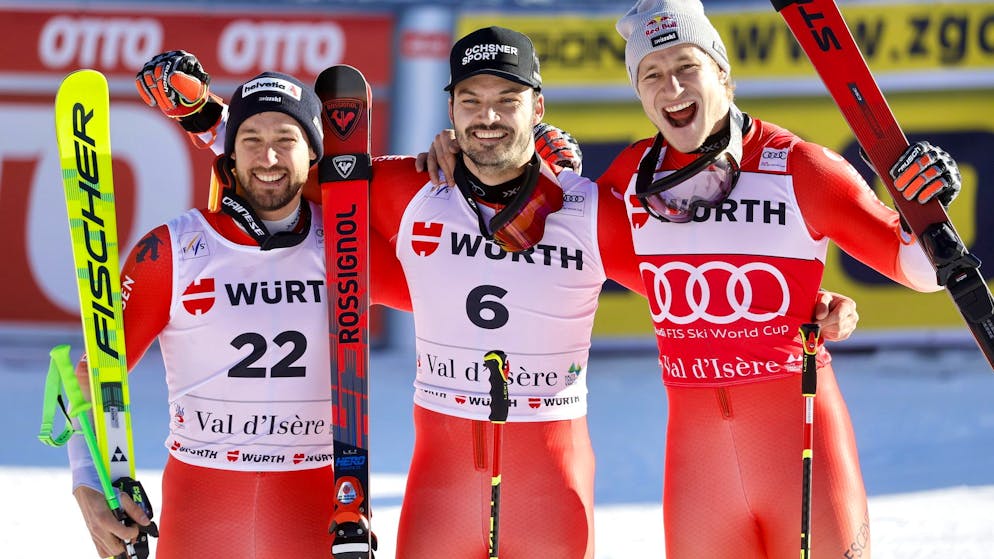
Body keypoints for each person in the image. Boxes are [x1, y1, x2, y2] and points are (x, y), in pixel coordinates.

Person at [133, 28, 858, 557]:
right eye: (472, 99)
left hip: (552, 490)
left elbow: (688, 279)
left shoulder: (589, 208)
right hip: (440, 494)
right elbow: (288, 179)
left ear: (536, 107)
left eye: (507, 99)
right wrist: (210, 124)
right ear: (450, 110)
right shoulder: (415, 186)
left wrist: (803, 304)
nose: (488, 114)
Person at [592, 0, 958, 557]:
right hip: (699, 469)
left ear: (723, 73)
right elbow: (552, 242)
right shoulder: (631, 178)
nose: (672, 88)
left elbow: (918, 270)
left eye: (686, 67)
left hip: (802, 445)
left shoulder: (799, 166)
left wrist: (923, 207)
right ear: (640, 93)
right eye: (652, 75)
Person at [68, 68, 406, 558]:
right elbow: (88, 375)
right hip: (202, 506)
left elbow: (449, 284)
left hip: (313, 509)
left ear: (314, 154)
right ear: (228, 150)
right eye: (250, 138)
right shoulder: (174, 249)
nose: (267, 157)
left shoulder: (347, 247)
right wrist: (88, 482)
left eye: (286, 139)